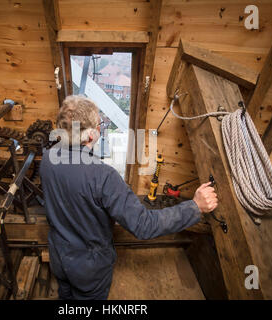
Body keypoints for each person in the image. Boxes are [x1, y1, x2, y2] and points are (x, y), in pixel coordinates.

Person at [39, 95, 218, 300]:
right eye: (99, 124)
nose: (100, 128)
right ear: (90, 136)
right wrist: (194, 207)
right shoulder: (103, 175)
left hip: (59, 258)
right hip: (88, 269)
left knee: (66, 297)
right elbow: (144, 225)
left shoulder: (47, 158)